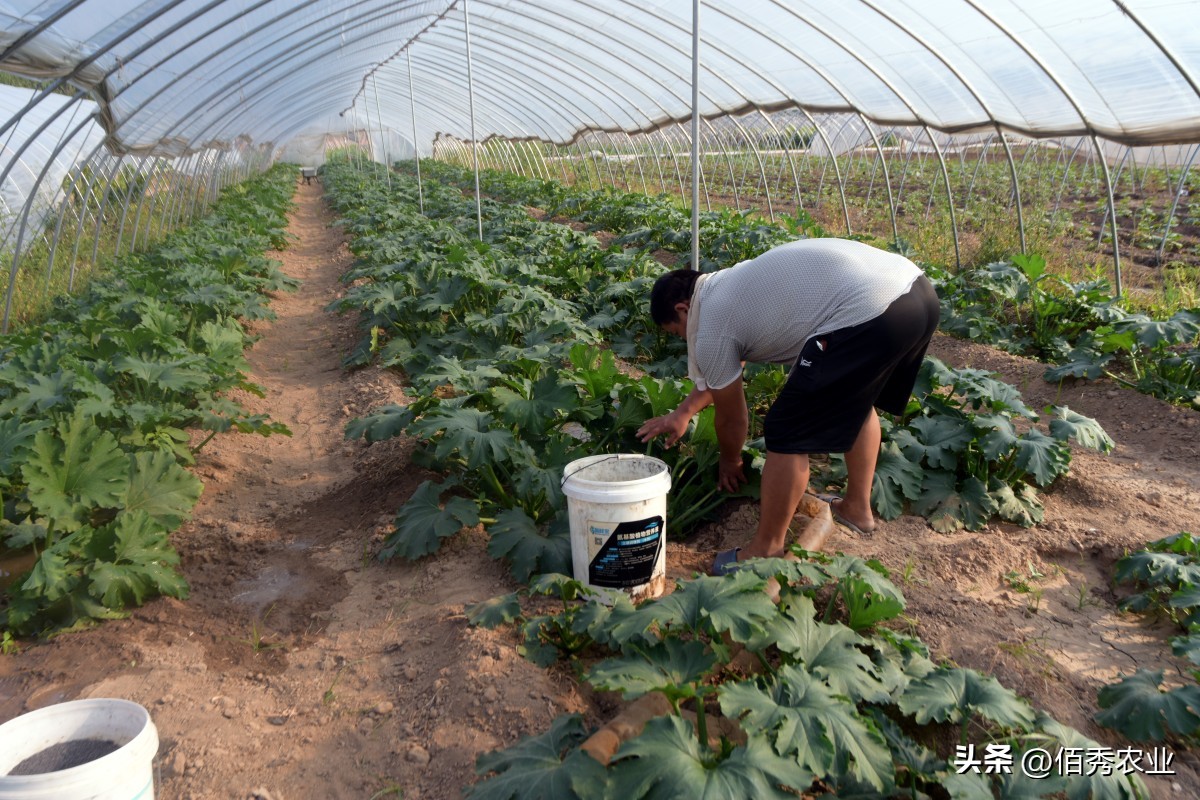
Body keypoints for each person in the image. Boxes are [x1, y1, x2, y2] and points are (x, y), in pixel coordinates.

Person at [635, 237, 939, 575]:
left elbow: (733, 417)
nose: (683, 339)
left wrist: (731, 460)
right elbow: (726, 372)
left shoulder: (710, 326)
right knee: (854, 399)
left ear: (682, 309)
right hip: (915, 293)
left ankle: (764, 549)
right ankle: (856, 509)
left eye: (676, 332)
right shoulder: (725, 289)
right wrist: (683, 413)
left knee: (786, 429)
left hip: (871, 308)